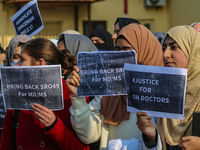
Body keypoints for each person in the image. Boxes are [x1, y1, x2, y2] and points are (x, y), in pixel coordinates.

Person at [66, 23, 163, 150]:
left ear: (144, 51)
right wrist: (77, 97)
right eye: (117, 49)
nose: (120, 55)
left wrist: (151, 139)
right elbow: (88, 136)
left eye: (126, 50)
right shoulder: (109, 89)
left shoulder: (161, 90)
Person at [0, 38, 89, 150]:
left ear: (40, 63)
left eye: (22, 60)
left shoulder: (71, 94)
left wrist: (54, 125)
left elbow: (81, 148)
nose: (17, 65)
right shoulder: (17, 91)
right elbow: (6, 142)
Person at [137, 25, 200, 150]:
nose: (166, 54)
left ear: (192, 49)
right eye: (164, 47)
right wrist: (152, 137)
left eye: (174, 47)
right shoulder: (165, 92)